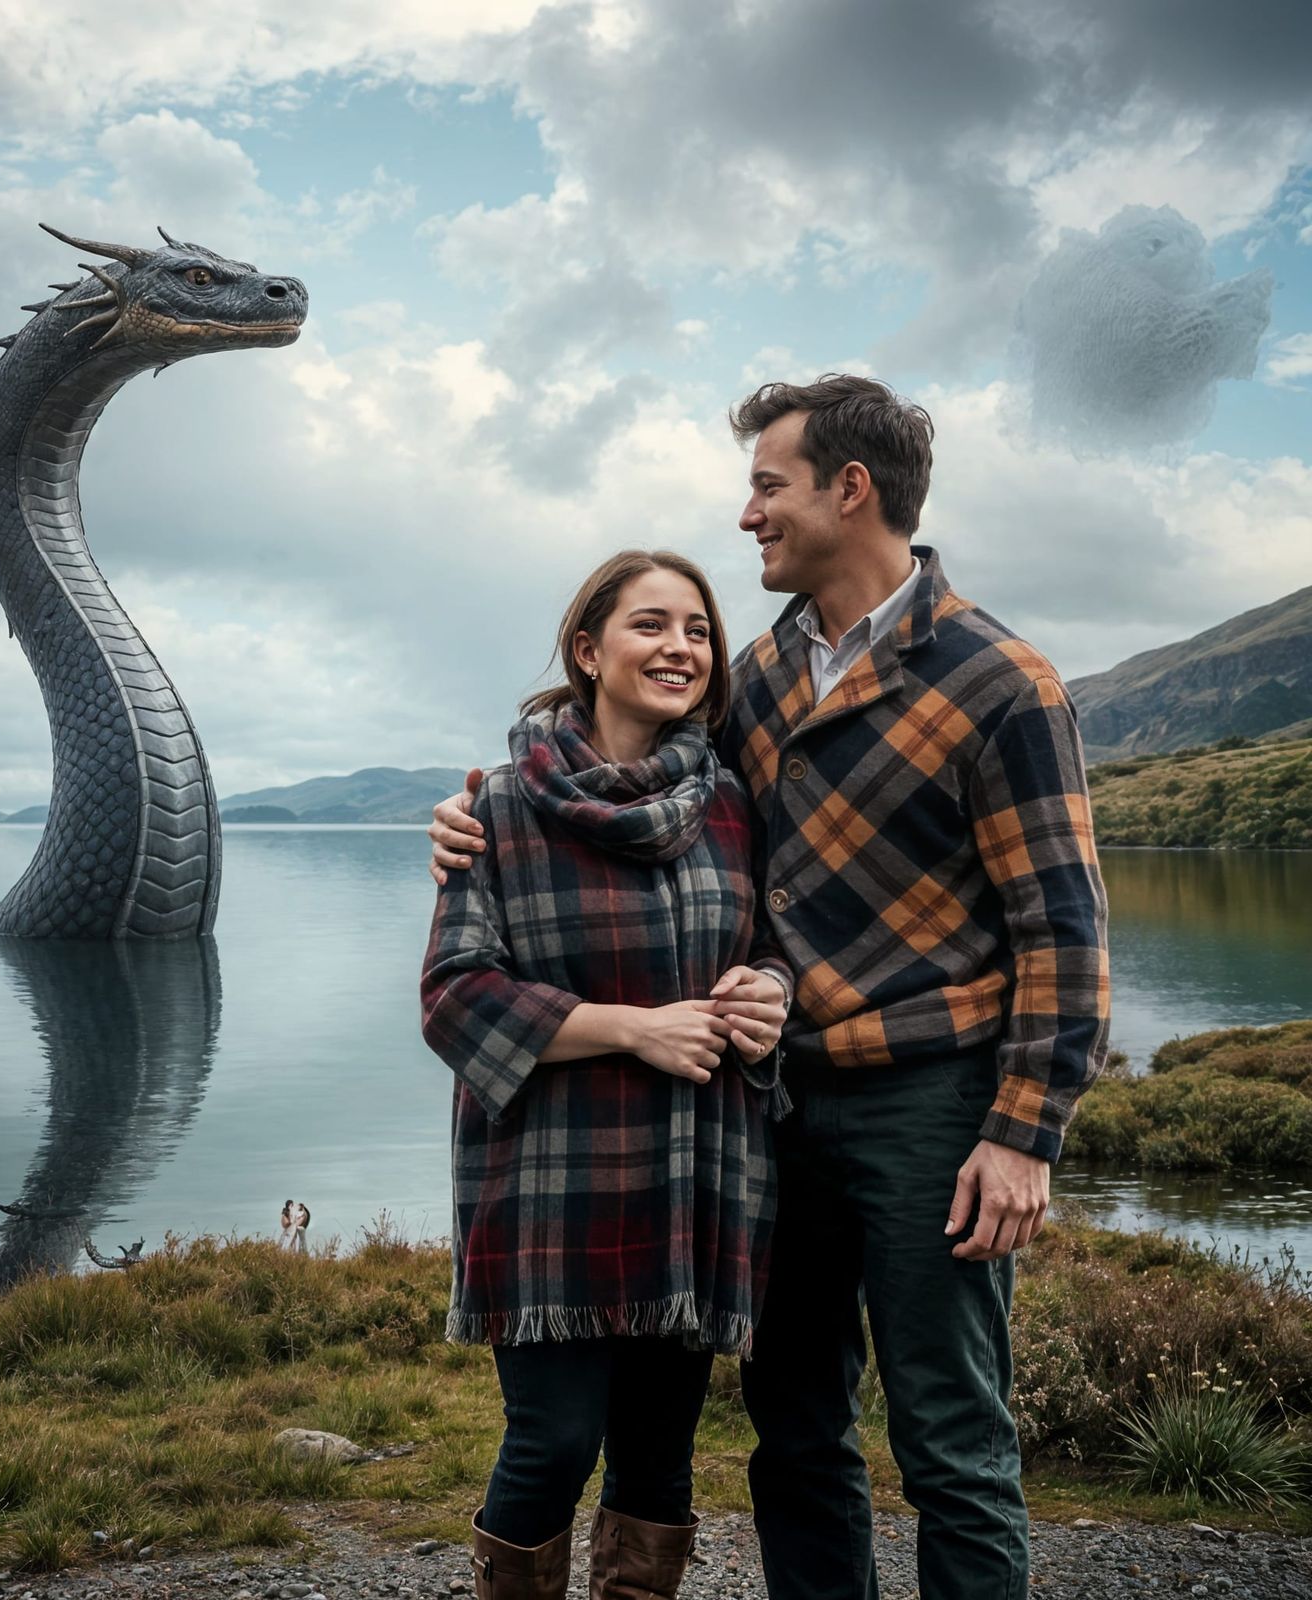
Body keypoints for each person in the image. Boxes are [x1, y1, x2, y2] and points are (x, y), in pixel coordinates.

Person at [429, 376, 1111, 1600]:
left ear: (849, 490)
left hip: (929, 1104)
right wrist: (473, 814)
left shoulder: (1000, 681)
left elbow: (1060, 928)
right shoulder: (756, 677)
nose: (747, 514)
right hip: (775, 1113)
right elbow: (667, 802)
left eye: (766, 486)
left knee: (950, 1438)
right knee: (795, 1431)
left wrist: (1024, 1132)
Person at [420, 550, 793, 1600]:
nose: (680, 648)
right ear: (588, 651)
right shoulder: (496, 808)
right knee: (552, 1441)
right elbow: (453, 997)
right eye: (650, 625)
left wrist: (768, 992)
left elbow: (769, 947)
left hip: (694, 1176)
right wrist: (634, 1030)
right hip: (553, 1187)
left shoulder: (732, 805)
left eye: (698, 630)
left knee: (659, 1458)